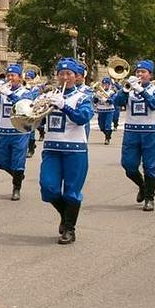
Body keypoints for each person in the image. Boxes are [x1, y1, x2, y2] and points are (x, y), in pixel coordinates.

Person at [39, 59, 94, 245]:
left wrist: (64, 106)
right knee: (48, 187)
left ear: (76, 77)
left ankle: (69, 229)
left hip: (75, 149)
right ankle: (66, 215)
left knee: (72, 191)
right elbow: (37, 120)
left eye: (69, 74)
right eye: (61, 74)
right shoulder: (49, 95)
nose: (64, 77)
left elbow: (83, 118)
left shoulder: (83, 97)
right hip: (51, 149)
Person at [113, 61, 155, 211]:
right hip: (131, 132)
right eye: (138, 72)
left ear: (150, 75)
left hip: (151, 132)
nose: (140, 74)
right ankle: (142, 186)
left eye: (143, 72)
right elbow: (117, 102)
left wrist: (141, 90)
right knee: (128, 165)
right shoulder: (129, 89)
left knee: (149, 167)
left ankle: (149, 198)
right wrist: (124, 90)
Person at [0, 65, 34, 200]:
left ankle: (16, 187)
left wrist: (9, 94)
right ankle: (18, 176)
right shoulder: (4, 90)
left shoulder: (25, 92)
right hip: (4, 130)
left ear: (19, 77)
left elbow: (24, 104)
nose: (10, 78)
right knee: (2, 161)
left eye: (13, 75)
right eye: (8, 75)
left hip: (19, 130)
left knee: (18, 160)